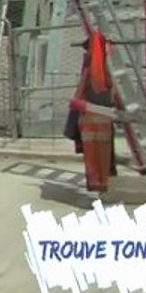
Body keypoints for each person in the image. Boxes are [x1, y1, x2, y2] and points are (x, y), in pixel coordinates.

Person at [63, 29, 119, 192]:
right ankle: (103, 182)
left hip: (91, 119)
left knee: (96, 156)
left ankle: (99, 182)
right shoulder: (102, 66)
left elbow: (81, 89)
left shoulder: (92, 65)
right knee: (103, 155)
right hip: (98, 119)